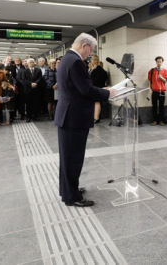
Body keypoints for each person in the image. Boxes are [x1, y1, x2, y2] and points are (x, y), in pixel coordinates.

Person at [55, 33, 116, 207]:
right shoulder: (75, 62)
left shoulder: (67, 59)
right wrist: (107, 93)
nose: (90, 54)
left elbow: (79, 87)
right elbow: (85, 90)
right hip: (74, 117)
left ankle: (68, 190)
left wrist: (98, 90)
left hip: (68, 115)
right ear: (84, 45)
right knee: (73, 158)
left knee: (68, 158)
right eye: (91, 49)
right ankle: (72, 197)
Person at [148, 56, 167, 125]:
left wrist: (161, 77)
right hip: (154, 91)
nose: (159, 63)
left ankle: (161, 120)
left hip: (161, 91)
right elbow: (149, 80)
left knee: (161, 106)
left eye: (160, 62)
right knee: (154, 106)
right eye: (158, 61)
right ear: (156, 62)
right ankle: (154, 120)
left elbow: (165, 80)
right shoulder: (152, 70)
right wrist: (150, 89)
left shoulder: (165, 70)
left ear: (162, 62)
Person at [88, 55, 108, 123]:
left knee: (97, 102)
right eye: (92, 59)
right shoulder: (98, 69)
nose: (93, 61)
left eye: (94, 59)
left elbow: (94, 80)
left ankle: (96, 118)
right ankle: (96, 118)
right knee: (96, 102)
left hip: (96, 88)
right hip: (98, 88)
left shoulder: (97, 69)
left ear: (97, 60)